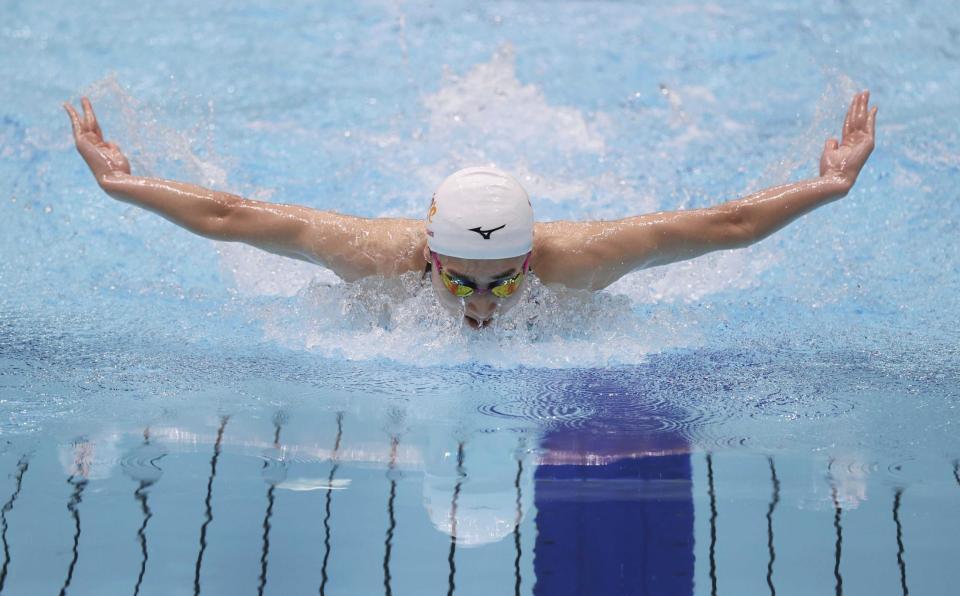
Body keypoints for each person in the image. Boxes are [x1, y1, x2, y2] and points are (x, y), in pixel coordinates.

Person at [64, 91, 877, 329]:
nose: (484, 305)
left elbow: (724, 227)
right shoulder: (373, 253)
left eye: (503, 282)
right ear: (428, 253)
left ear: (532, 259)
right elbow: (235, 216)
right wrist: (125, 184)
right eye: (461, 284)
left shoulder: (579, 259)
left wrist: (828, 186)